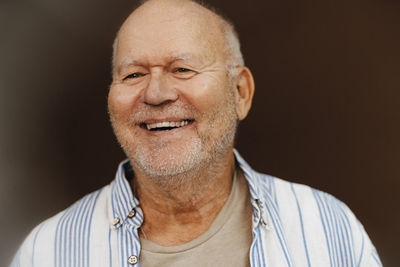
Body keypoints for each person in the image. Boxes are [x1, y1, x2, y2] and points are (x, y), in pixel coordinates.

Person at [11, 0, 382, 266]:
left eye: (182, 69)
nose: (156, 94)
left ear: (241, 92)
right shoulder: (49, 250)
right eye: (133, 74)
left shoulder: (329, 229)